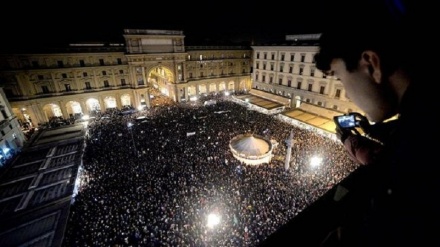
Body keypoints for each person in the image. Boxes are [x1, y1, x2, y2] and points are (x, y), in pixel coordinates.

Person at [314, 1, 438, 246]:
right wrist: (370, 133)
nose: (347, 94)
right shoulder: (422, 119)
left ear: (371, 64)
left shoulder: (420, 150)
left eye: (340, 78)